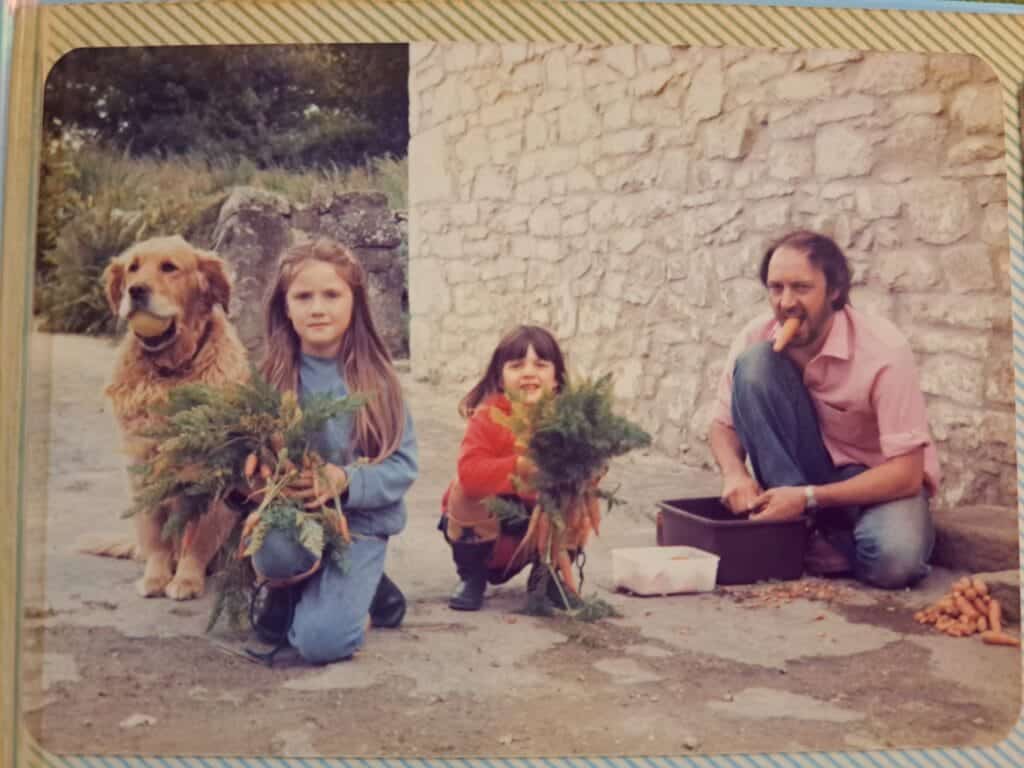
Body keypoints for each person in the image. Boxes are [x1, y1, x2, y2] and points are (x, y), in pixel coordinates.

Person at [708, 230, 940, 589]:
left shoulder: (884, 350)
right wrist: (734, 474)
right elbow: (723, 426)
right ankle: (803, 533)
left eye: (801, 288)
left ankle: (822, 541)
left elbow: (907, 473)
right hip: (803, 475)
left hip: (877, 483)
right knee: (755, 364)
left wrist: (809, 498)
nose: (785, 302)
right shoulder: (755, 335)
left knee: (893, 562)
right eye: (776, 288)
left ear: (834, 291)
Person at [248, 238, 418, 664]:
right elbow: (245, 452)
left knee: (321, 643)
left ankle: (362, 591)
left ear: (355, 302)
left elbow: (402, 467)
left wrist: (344, 479)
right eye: (303, 296)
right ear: (285, 306)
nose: (317, 308)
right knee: (274, 550)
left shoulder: (377, 382)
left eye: (331, 295)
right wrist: (254, 470)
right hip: (295, 516)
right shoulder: (269, 379)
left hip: (358, 523)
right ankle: (298, 586)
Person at [440, 324, 580, 611]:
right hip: (486, 537)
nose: (529, 372)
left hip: (538, 532)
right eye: (517, 365)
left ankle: (548, 575)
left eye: (540, 364)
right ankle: (472, 577)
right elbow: (470, 473)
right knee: (463, 489)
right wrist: (522, 467)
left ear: (556, 379)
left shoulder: (568, 422)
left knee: (580, 497)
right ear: (501, 379)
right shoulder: (488, 417)